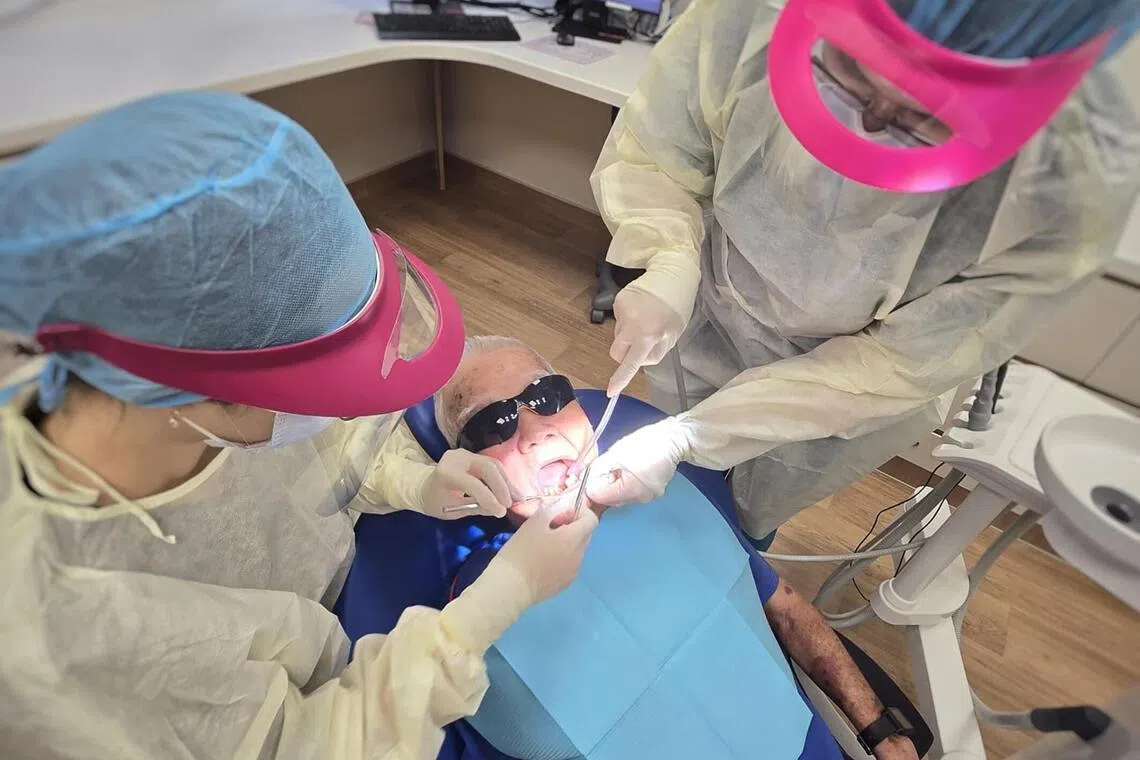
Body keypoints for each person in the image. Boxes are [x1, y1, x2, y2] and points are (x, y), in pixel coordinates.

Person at [0, 92, 596, 760]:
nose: (341, 410)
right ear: (184, 391)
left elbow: (326, 448)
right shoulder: (51, 649)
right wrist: (493, 607)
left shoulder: (185, 396)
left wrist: (413, 480)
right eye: (318, 389)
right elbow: (314, 743)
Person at [585, 0, 1140, 548]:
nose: (871, 121)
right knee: (673, 487)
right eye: (849, 70)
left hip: (852, 383)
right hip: (712, 302)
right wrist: (669, 257)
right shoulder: (750, 14)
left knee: (739, 522)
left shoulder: (1069, 185)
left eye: (922, 116)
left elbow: (902, 364)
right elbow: (657, 149)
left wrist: (692, 437)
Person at [375, 335, 920, 760]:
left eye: (547, 396)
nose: (536, 430)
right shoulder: (470, 616)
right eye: (493, 423)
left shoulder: (672, 494)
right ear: (464, 468)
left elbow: (786, 608)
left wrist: (879, 730)